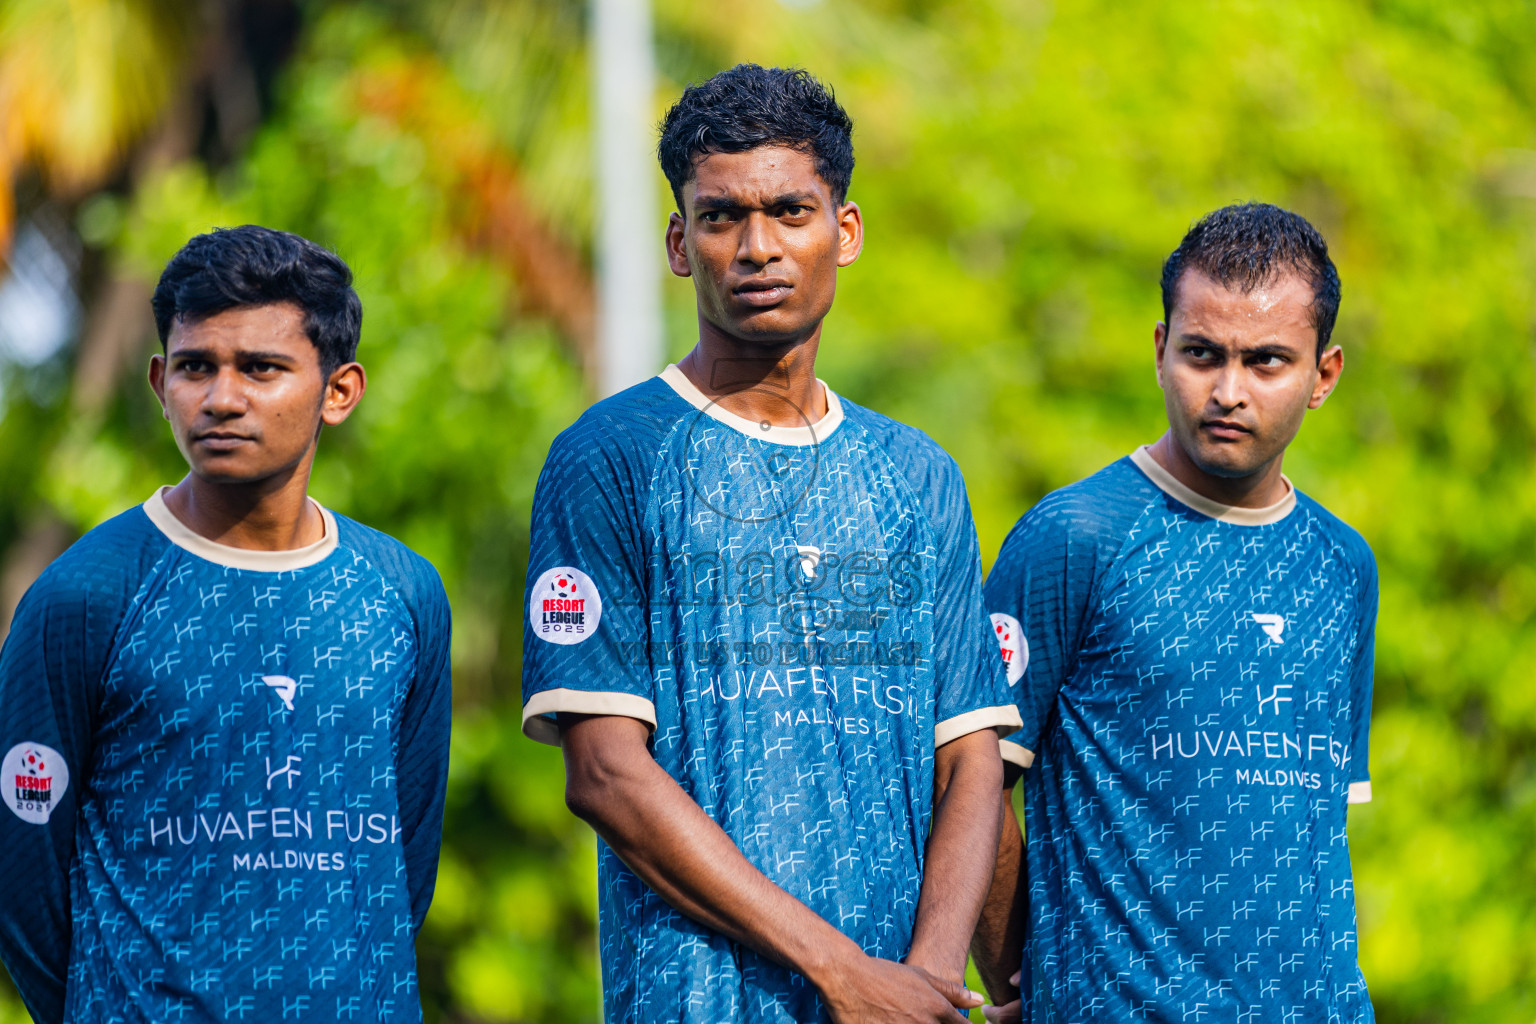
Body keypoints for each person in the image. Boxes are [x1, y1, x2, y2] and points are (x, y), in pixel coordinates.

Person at [520, 64, 1021, 1024]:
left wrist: (920, 980)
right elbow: (607, 774)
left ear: (847, 230)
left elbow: (971, 760)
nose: (758, 247)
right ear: (680, 242)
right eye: (721, 218)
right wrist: (844, 971)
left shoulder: (920, 475)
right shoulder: (610, 458)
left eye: (791, 211)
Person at [0, 226, 452, 1023]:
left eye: (262, 368)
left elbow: (403, 860)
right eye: (195, 367)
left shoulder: (402, 592)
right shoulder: (86, 596)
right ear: (158, 381)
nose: (221, 398)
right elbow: (21, 870)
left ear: (338, 391)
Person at [971, 203, 1377, 1022]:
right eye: (1202, 354)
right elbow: (970, 784)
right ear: (1161, 352)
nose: (1228, 391)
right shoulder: (1073, 537)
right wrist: (1028, 979)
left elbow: (1311, 839)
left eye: (1266, 362)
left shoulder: (1343, 566)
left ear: (1323, 375)